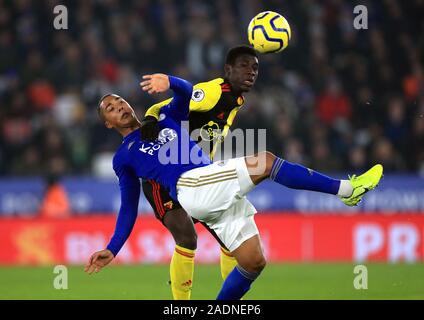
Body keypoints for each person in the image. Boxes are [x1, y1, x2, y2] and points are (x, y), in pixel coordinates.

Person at [85, 73, 383, 300]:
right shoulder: (123, 156)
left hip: (211, 183)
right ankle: (347, 190)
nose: (119, 107)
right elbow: (128, 206)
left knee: (253, 261)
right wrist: (112, 248)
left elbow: (187, 93)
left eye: (119, 100)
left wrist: (170, 82)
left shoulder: (163, 117)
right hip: (192, 187)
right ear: (108, 124)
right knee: (265, 162)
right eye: (110, 108)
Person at [138, 45, 259, 299]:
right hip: (162, 176)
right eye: (245, 65)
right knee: (186, 237)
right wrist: (150, 118)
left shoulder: (235, 101)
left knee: (230, 239)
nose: (251, 72)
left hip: (198, 175)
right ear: (229, 69)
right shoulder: (214, 92)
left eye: (255, 67)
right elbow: (170, 102)